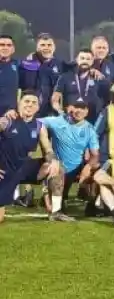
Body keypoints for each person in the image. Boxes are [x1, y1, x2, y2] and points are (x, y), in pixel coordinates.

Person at [40, 101, 100, 219]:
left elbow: (95, 155)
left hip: (76, 169)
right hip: (57, 168)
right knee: (54, 205)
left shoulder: (90, 129)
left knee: (97, 169)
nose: (79, 111)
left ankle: (92, 205)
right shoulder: (58, 121)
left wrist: (88, 167)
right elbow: (37, 122)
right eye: (76, 107)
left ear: (87, 111)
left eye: (82, 108)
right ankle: (48, 193)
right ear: (70, 108)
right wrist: (45, 144)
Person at [0, 92, 43, 224]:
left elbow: (48, 149)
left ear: (38, 107)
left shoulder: (39, 126)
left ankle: (56, 210)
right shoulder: (6, 121)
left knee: (56, 169)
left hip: (22, 169)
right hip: (4, 171)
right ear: (19, 103)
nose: (30, 105)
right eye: (26, 101)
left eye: (34, 102)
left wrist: (53, 160)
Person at [52, 49, 106, 122]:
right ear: (77, 59)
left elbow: (107, 99)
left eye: (88, 59)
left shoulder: (98, 77)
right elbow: (55, 99)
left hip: (92, 120)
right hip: (69, 119)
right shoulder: (65, 77)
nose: (85, 61)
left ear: (92, 61)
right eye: (82, 58)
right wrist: (60, 112)